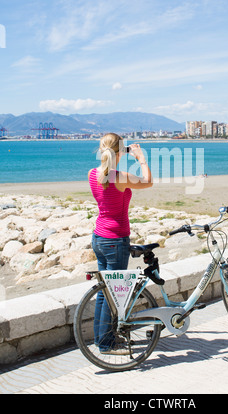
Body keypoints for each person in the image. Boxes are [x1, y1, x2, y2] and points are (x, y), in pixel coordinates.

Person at [88, 133, 153, 355]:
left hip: (99, 237)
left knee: (103, 292)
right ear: (118, 152)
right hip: (116, 240)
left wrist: (122, 152)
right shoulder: (121, 177)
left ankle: (100, 339)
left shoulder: (93, 174)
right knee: (113, 293)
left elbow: (108, 167)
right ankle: (107, 345)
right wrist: (140, 158)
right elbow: (148, 181)